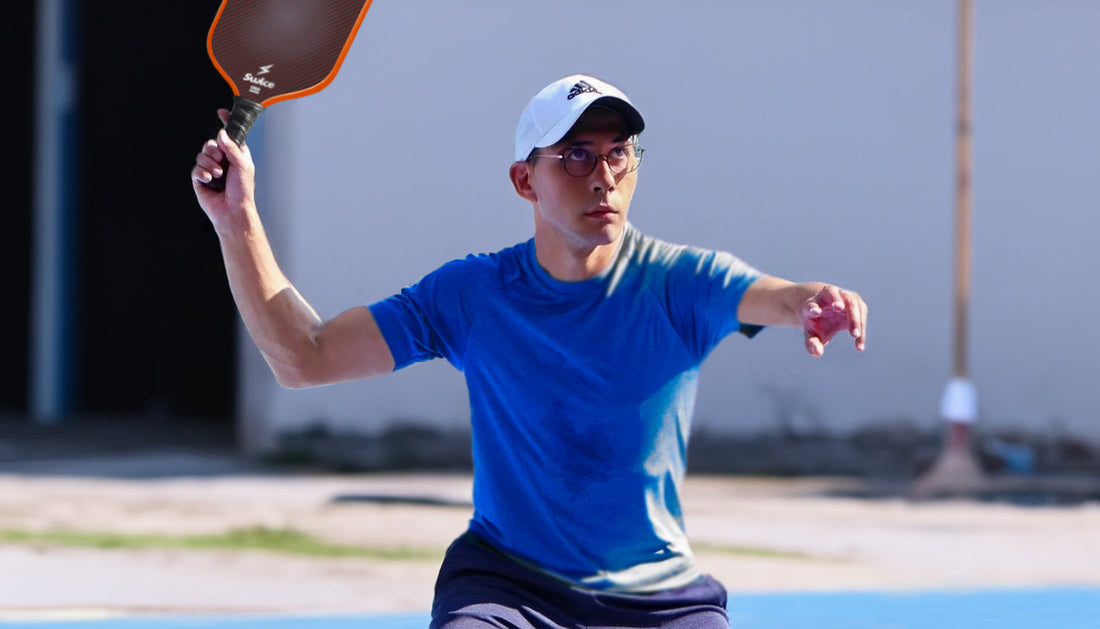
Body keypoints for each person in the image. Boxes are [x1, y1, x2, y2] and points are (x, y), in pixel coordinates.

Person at [192, 74, 867, 629]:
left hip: (659, 598)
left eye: (617, 151)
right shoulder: (474, 294)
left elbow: (775, 296)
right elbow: (305, 357)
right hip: (510, 586)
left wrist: (812, 300)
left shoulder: (679, 283)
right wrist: (237, 218)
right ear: (525, 180)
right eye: (574, 154)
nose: (602, 175)